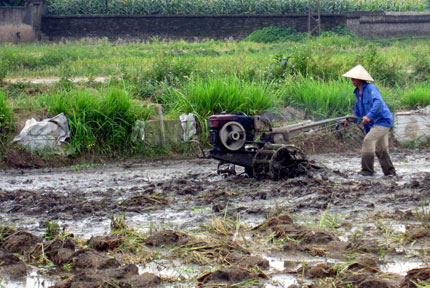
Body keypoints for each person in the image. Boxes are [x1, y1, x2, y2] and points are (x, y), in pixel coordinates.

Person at [342, 64, 396, 176]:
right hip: (374, 123)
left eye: (354, 78)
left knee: (368, 140)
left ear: (360, 79)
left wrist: (369, 116)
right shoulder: (358, 92)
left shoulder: (371, 89)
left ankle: (367, 170)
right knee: (380, 148)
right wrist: (348, 120)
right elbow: (357, 113)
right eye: (351, 78)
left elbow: (378, 102)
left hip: (382, 121)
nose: (352, 80)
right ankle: (390, 172)